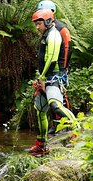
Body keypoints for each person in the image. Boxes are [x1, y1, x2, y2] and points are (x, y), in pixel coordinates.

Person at [27, 8, 75, 156]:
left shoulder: (53, 35)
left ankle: (77, 128)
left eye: (39, 23)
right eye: (36, 23)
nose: (37, 26)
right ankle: (41, 144)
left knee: (55, 105)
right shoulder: (46, 34)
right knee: (40, 110)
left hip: (54, 77)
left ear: (48, 21)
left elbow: (52, 59)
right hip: (46, 77)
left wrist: (42, 78)